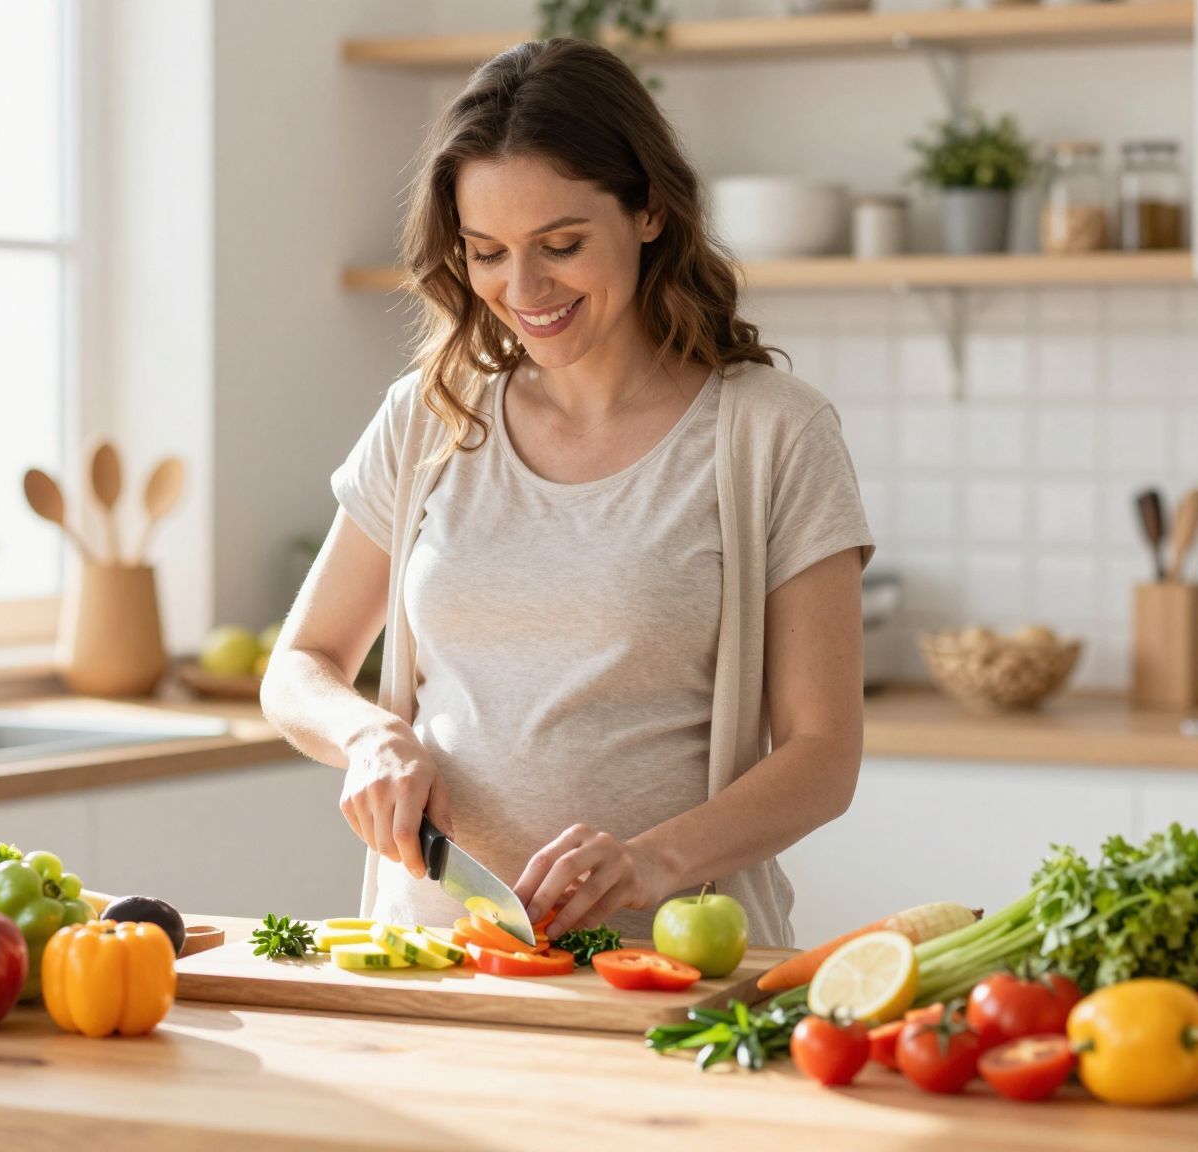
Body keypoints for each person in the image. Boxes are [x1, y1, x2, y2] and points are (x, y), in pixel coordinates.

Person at [260, 38, 873, 947]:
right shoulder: (430, 416)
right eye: (487, 253)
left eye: (562, 244)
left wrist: (653, 861)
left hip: (670, 963)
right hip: (437, 956)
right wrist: (368, 738)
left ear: (652, 211)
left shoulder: (772, 433)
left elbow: (824, 757)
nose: (525, 288)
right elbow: (301, 664)